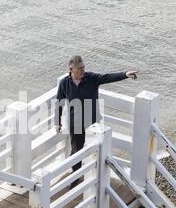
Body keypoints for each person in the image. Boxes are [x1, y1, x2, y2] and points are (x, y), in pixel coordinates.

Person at [54, 55, 137, 188]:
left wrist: (125, 74)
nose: (82, 71)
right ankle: (75, 179)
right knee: (76, 151)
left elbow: (108, 77)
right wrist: (57, 122)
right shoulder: (65, 83)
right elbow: (59, 102)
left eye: (83, 67)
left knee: (98, 149)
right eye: (79, 68)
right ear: (71, 69)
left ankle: (99, 180)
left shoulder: (91, 78)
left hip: (93, 122)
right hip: (76, 123)